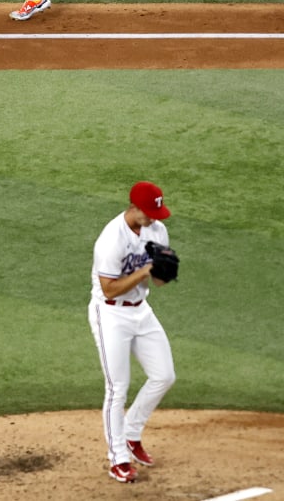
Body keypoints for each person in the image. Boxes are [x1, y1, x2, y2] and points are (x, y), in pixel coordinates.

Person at [88, 181, 178, 484]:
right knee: (117, 388)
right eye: (149, 212)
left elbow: (159, 283)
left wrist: (164, 272)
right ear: (134, 207)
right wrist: (144, 271)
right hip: (110, 313)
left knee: (164, 375)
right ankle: (118, 459)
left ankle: (131, 433)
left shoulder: (157, 230)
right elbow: (108, 287)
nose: (155, 218)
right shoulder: (111, 238)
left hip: (141, 311)